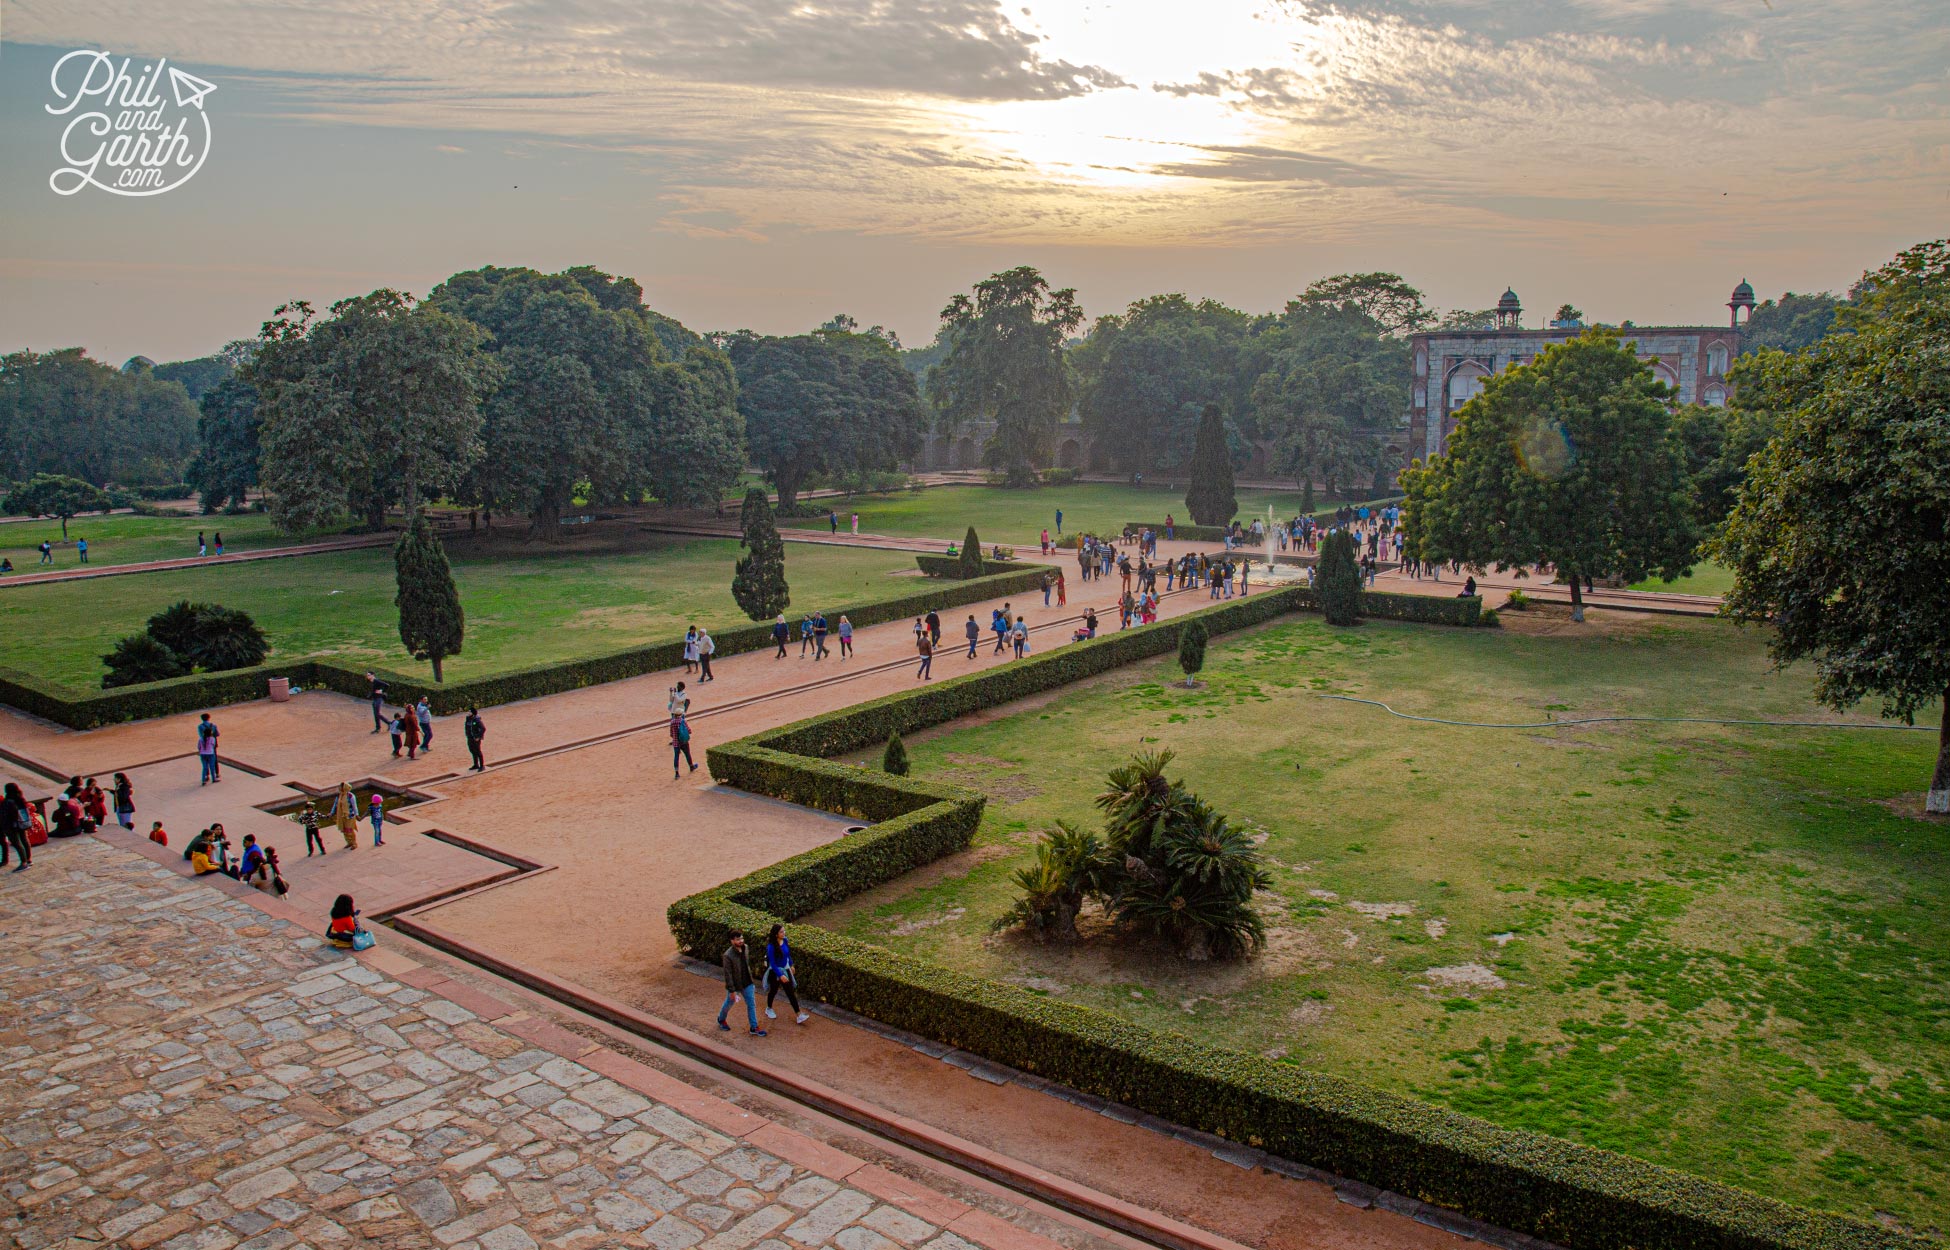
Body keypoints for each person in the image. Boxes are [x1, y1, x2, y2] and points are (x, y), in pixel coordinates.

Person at [717, 932, 766, 1035]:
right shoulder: (728, 955)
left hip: (748, 982)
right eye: (738, 939)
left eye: (742, 938)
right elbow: (728, 974)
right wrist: (732, 990)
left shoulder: (746, 948)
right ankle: (721, 1019)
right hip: (736, 986)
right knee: (729, 1003)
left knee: (751, 1004)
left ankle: (754, 1027)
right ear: (732, 941)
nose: (741, 941)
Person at [763, 923, 810, 1024]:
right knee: (773, 990)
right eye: (781, 932)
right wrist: (780, 975)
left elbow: (788, 955)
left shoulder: (785, 940)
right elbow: (773, 963)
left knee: (790, 992)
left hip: (785, 969)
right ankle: (769, 1008)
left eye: (784, 931)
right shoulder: (771, 947)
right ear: (776, 934)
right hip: (775, 972)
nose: (784, 933)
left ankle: (798, 1015)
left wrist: (792, 965)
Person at [1, 783, 31, 871]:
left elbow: (7, 815)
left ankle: (24, 863)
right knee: (24, 840)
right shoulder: (20, 798)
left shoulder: (8, 802)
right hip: (22, 823)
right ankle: (28, 859)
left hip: (11, 825)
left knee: (17, 843)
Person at [333, 782, 359, 849]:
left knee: (350, 830)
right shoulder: (339, 796)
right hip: (342, 816)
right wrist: (331, 812)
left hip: (350, 816)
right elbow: (335, 805)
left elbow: (354, 806)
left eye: (340, 787)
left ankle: (354, 843)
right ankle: (349, 842)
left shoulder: (351, 796)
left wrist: (357, 814)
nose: (339, 788)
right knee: (344, 830)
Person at [671, 712, 698, 778]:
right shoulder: (682, 721)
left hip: (676, 742)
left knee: (676, 757)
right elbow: (689, 731)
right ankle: (691, 766)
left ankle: (677, 773)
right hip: (684, 741)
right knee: (687, 754)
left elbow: (671, 734)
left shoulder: (672, 722)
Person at [196, 713, 220, 784]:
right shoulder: (213, 726)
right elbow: (218, 734)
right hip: (212, 747)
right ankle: (216, 774)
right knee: (214, 760)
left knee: (205, 765)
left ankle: (206, 776)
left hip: (203, 749)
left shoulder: (200, 726)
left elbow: (200, 736)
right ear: (209, 718)